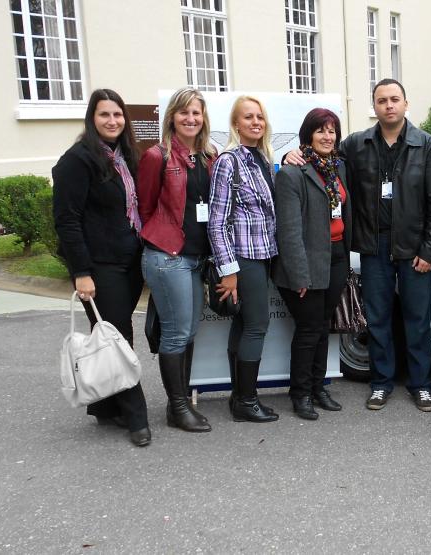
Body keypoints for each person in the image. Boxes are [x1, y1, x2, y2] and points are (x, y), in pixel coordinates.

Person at [284, 79, 431, 412]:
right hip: (373, 245)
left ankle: (420, 384)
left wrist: (429, 251)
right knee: (377, 318)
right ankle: (381, 382)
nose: (388, 105)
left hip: (415, 245)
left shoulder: (427, 145)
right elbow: (321, 153)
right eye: (381, 100)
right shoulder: (357, 144)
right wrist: (295, 152)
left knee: (417, 319)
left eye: (394, 99)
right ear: (374, 107)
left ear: (405, 103)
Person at [52, 88, 151, 447]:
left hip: (129, 260)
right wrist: (81, 271)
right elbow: (67, 219)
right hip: (98, 265)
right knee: (118, 335)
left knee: (110, 332)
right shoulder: (77, 160)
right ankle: (136, 415)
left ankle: (106, 407)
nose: (112, 121)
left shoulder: (128, 157)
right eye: (104, 115)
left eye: (117, 115)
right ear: (92, 119)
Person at [137, 87, 217, 433]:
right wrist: (161, 241)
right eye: (184, 112)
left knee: (190, 331)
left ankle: (180, 400)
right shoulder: (157, 156)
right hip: (168, 256)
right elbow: (145, 207)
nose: (191, 119)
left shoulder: (209, 155)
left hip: (196, 258)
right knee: (176, 333)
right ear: (172, 116)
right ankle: (178, 406)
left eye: (196, 113)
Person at [272, 108, 350, 420]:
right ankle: (301, 393)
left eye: (332, 131)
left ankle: (319, 387)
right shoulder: (292, 172)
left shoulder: (338, 167)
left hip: (336, 257)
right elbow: (289, 231)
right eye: (321, 130)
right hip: (304, 263)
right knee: (308, 330)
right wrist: (299, 275)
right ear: (308, 134)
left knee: (322, 327)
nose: (327, 136)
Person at [208, 95, 279, 424]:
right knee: (256, 326)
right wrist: (229, 271)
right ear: (236, 124)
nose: (255, 122)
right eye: (248, 117)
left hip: (262, 255)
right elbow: (217, 222)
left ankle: (239, 398)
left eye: (259, 117)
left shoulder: (261, 159)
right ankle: (248, 401)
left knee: (243, 324)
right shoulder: (229, 161)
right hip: (243, 257)